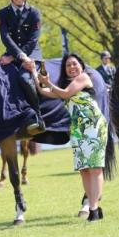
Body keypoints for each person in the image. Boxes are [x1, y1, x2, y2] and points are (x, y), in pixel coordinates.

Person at [28, 53, 108, 222]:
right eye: (68, 65)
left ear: (82, 66)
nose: (72, 67)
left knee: (95, 168)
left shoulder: (84, 78)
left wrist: (48, 82)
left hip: (93, 126)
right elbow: (43, 91)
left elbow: (64, 94)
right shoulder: (67, 85)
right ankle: (94, 207)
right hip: (78, 128)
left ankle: (93, 208)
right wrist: (35, 74)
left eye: (74, 64)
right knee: (84, 170)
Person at [0, 0, 45, 135]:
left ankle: (38, 117)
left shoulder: (34, 13)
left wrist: (20, 58)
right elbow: (6, 37)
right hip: (12, 53)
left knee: (24, 78)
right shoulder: (2, 13)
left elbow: (32, 40)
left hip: (32, 54)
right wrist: (16, 56)